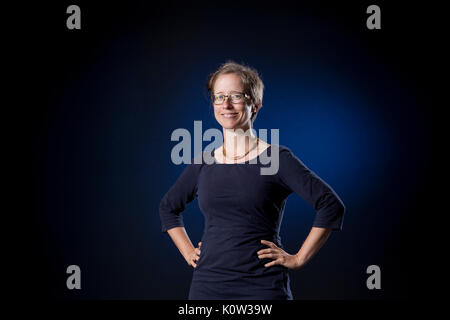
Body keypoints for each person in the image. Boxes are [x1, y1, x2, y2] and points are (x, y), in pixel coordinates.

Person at [159, 61, 345, 300]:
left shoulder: (276, 159)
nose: (225, 104)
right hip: (208, 287)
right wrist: (187, 251)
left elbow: (330, 205)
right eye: (219, 96)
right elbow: (168, 207)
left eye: (236, 96)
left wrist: (298, 258)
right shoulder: (204, 162)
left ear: (254, 104)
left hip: (262, 288)